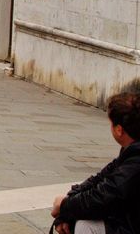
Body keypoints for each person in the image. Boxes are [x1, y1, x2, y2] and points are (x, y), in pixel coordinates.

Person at [51, 87, 140, 234]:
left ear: (119, 130)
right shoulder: (130, 152)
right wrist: (68, 206)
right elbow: (99, 179)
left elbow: (104, 197)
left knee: (86, 226)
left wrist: (64, 206)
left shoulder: (136, 161)